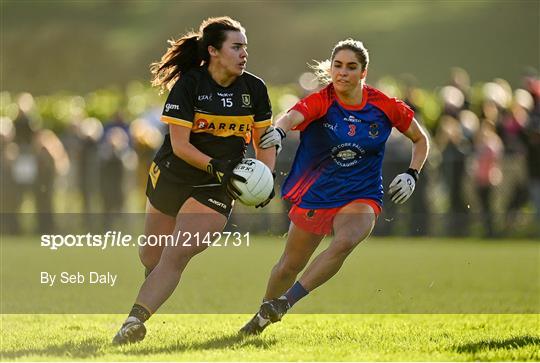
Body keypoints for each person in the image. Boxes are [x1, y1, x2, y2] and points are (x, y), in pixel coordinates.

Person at [240, 39, 429, 335]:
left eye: (351, 67)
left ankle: (285, 304)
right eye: (337, 66)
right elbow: (291, 117)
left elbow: (421, 139)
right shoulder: (322, 100)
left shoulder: (385, 105)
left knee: (344, 242)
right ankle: (264, 312)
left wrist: (412, 174)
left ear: (363, 73)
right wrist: (278, 130)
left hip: (362, 194)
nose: (342, 73)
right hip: (317, 194)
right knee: (288, 267)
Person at [113, 16, 276, 345]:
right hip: (175, 174)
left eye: (246, 46)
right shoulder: (190, 84)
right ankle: (155, 284)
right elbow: (182, 146)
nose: (244, 53)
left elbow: (265, 141)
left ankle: (133, 322)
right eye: (237, 46)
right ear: (214, 51)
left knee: (177, 254)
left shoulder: (255, 89)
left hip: (217, 186)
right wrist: (219, 167)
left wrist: (265, 177)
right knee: (151, 256)